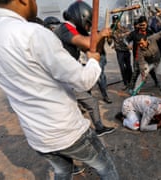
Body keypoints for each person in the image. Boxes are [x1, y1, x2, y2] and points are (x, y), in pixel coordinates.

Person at [0, 0, 119, 179]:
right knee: (105, 167)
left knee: (62, 171)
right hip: (65, 130)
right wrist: (93, 59)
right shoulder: (33, 33)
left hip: (36, 135)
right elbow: (85, 80)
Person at [54, 1, 115, 136]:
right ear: (81, 16)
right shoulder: (66, 27)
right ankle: (97, 128)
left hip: (65, 75)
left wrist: (102, 38)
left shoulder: (72, 30)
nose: (88, 27)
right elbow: (88, 44)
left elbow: (92, 49)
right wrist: (101, 34)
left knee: (80, 102)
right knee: (90, 101)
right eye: (88, 23)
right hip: (63, 78)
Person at [109, 15, 132, 90]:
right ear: (113, 22)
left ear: (119, 21)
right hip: (119, 51)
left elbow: (129, 37)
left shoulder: (124, 28)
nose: (116, 23)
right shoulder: (111, 30)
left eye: (117, 21)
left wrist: (129, 44)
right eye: (115, 21)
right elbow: (110, 42)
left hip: (126, 50)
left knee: (128, 67)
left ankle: (131, 82)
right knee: (122, 68)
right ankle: (125, 83)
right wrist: (108, 38)